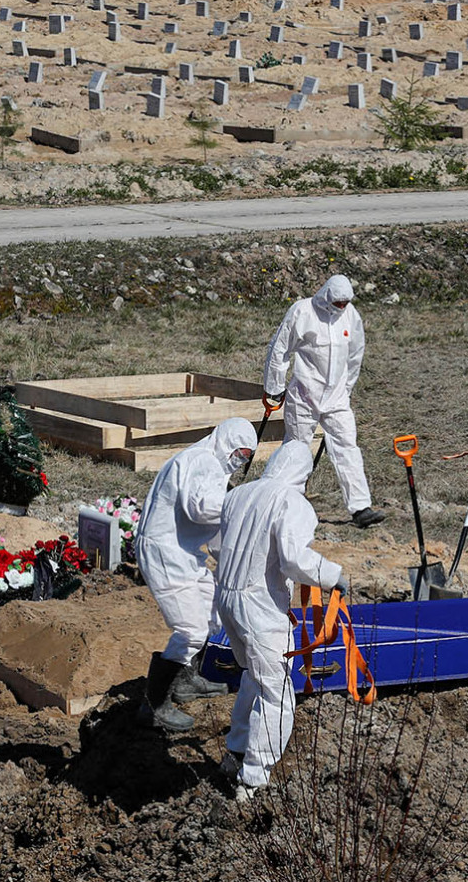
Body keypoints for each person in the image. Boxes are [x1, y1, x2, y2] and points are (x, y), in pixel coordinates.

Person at [214, 441, 347, 801]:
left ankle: (236, 752)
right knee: (277, 692)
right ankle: (254, 780)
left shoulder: (239, 494)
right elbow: (292, 558)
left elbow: (216, 545)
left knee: (254, 677)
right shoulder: (291, 502)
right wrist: (331, 574)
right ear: (303, 474)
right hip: (258, 606)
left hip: (227, 598)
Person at [136, 417, 258, 732]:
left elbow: (216, 528)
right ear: (227, 442)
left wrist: (231, 561)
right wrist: (238, 503)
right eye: (239, 453)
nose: (239, 460)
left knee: (213, 610)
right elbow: (201, 509)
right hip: (165, 552)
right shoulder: (202, 461)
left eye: (246, 457)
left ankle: (185, 681)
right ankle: (154, 702)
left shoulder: (213, 468)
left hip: (184, 552)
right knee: (190, 629)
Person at [263, 274, 385, 529]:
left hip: (337, 398)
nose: (342, 307)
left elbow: (355, 355)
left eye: (346, 302)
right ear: (327, 295)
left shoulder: (351, 316)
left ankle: (360, 507)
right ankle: (283, 504)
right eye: (338, 302)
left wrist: (346, 389)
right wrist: (274, 387)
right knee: (295, 450)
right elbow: (280, 348)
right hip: (304, 395)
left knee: (347, 447)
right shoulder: (302, 311)